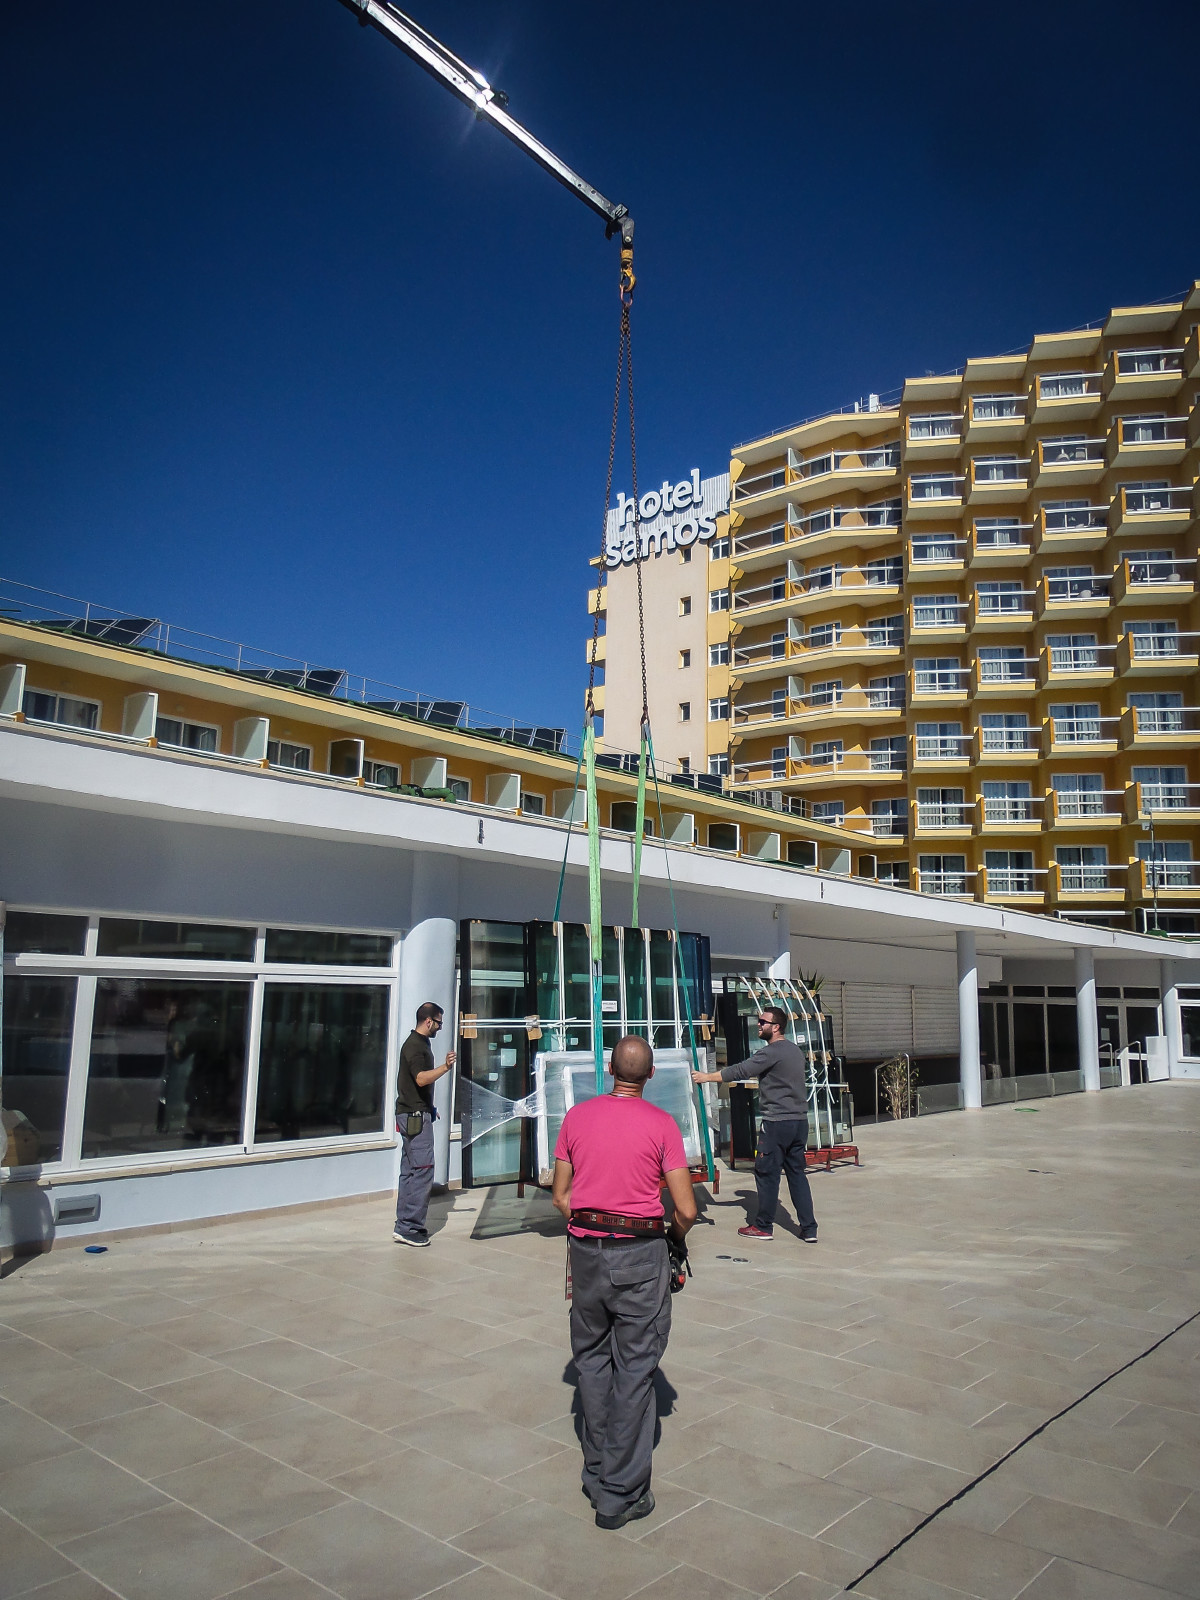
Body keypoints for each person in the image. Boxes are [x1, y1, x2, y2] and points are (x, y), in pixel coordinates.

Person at [552, 1035, 697, 1531]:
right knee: (635, 1368)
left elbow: (561, 1197)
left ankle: (597, 1472)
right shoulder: (662, 1125)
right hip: (639, 1255)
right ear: (651, 1075)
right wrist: (672, 1240)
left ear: (609, 1070)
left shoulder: (577, 1118)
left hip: (585, 1254)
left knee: (592, 1362)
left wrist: (591, 1227)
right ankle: (620, 1492)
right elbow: (686, 1209)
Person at [693, 1004, 817, 1243]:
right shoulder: (795, 1051)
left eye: (763, 1022)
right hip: (799, 1122)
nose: (758, 1025)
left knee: (766, 1174)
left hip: (777, 1124)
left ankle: (763, 1226)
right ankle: (809, 1229)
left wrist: (706, 1077)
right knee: (797, 1175)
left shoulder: (771, 1052)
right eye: (759, 1021)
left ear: (776, 1027)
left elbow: (741, 1070)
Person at [393, 1001, 455, 1247]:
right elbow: (420, 1079)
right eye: (439, 1022)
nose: (440, 1027)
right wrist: (445, 1067)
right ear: (428, 1021)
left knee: (410, 1170)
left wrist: (431, 1108)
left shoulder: (418, 1043)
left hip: (413, 1114)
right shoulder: (416, 1046)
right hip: (415, 1117)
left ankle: (404, 1225)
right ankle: (410, 1227)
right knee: (422, 1170)